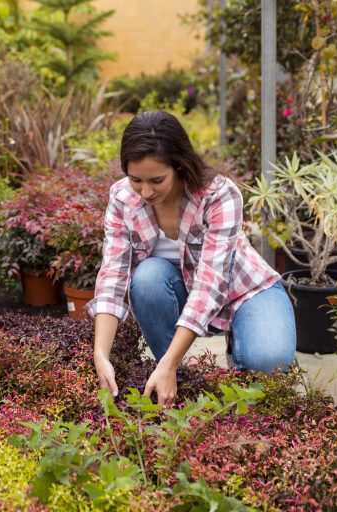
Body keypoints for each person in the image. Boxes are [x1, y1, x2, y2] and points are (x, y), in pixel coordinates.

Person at [87, 110, 296, 406]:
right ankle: (174, 376)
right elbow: (113, 275)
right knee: (146, 277)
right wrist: (101, 354)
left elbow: (211, 285)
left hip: (245, 291)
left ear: (180, 166)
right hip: (175, 289)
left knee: (268, 362)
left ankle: (234, 348)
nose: (145, 191)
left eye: (157, 180)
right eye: (136, 179)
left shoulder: (218, 195)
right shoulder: (122, 198)